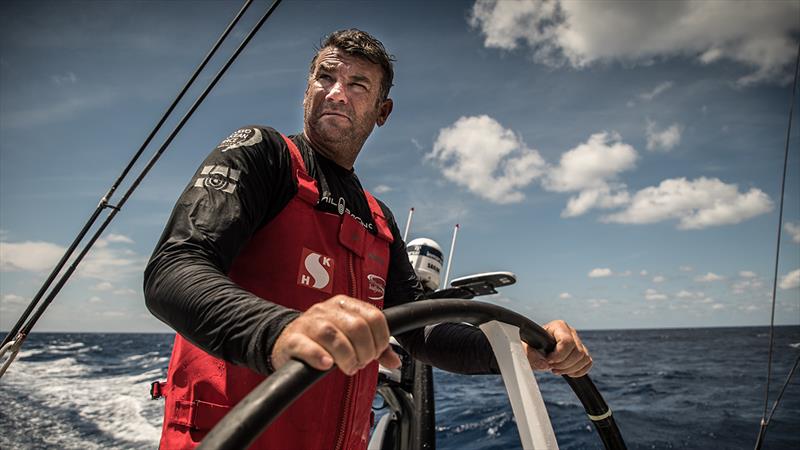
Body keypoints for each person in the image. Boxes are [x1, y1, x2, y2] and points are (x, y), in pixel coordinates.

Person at [145, 28, 592, 450]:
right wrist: (279, 331)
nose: (336, 92)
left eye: (358, 84)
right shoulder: (262, 154)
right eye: (325, 76)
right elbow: (173, 268)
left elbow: (421, 332)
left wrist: (520, 350)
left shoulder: (379, 219)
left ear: (383, 111)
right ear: (307, 90)